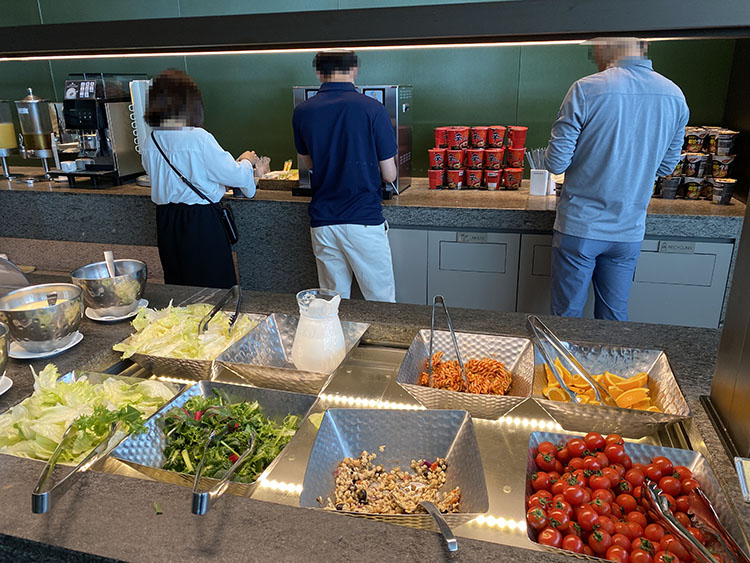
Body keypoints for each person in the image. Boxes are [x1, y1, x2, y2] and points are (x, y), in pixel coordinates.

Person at [545, 37, 689, 321]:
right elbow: (666, 167)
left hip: (580, 226)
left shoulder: (586, 89)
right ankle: (608, 367)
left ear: (607, 45)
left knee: (565, 319)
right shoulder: (674, 95)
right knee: (613, 320)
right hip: (629, 230)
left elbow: (556, 162)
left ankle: (561, 367)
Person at [141, 69, 266, 289]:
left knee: (179, 284)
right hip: (200, 222)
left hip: (166, 221)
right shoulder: (198, 137)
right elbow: (235, 175)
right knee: (212, 286)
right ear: (190, 102)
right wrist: (247, 161)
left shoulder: (151, 140)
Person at [292, 50, 399, 302]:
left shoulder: (302, 111)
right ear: (354, 70)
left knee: (332, 303)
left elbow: (311, 163)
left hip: (323, 222)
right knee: (381, 300)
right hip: (363, 219)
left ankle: (337, 343)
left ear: (319, 73)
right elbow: (389, 174)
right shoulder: (373, 109)